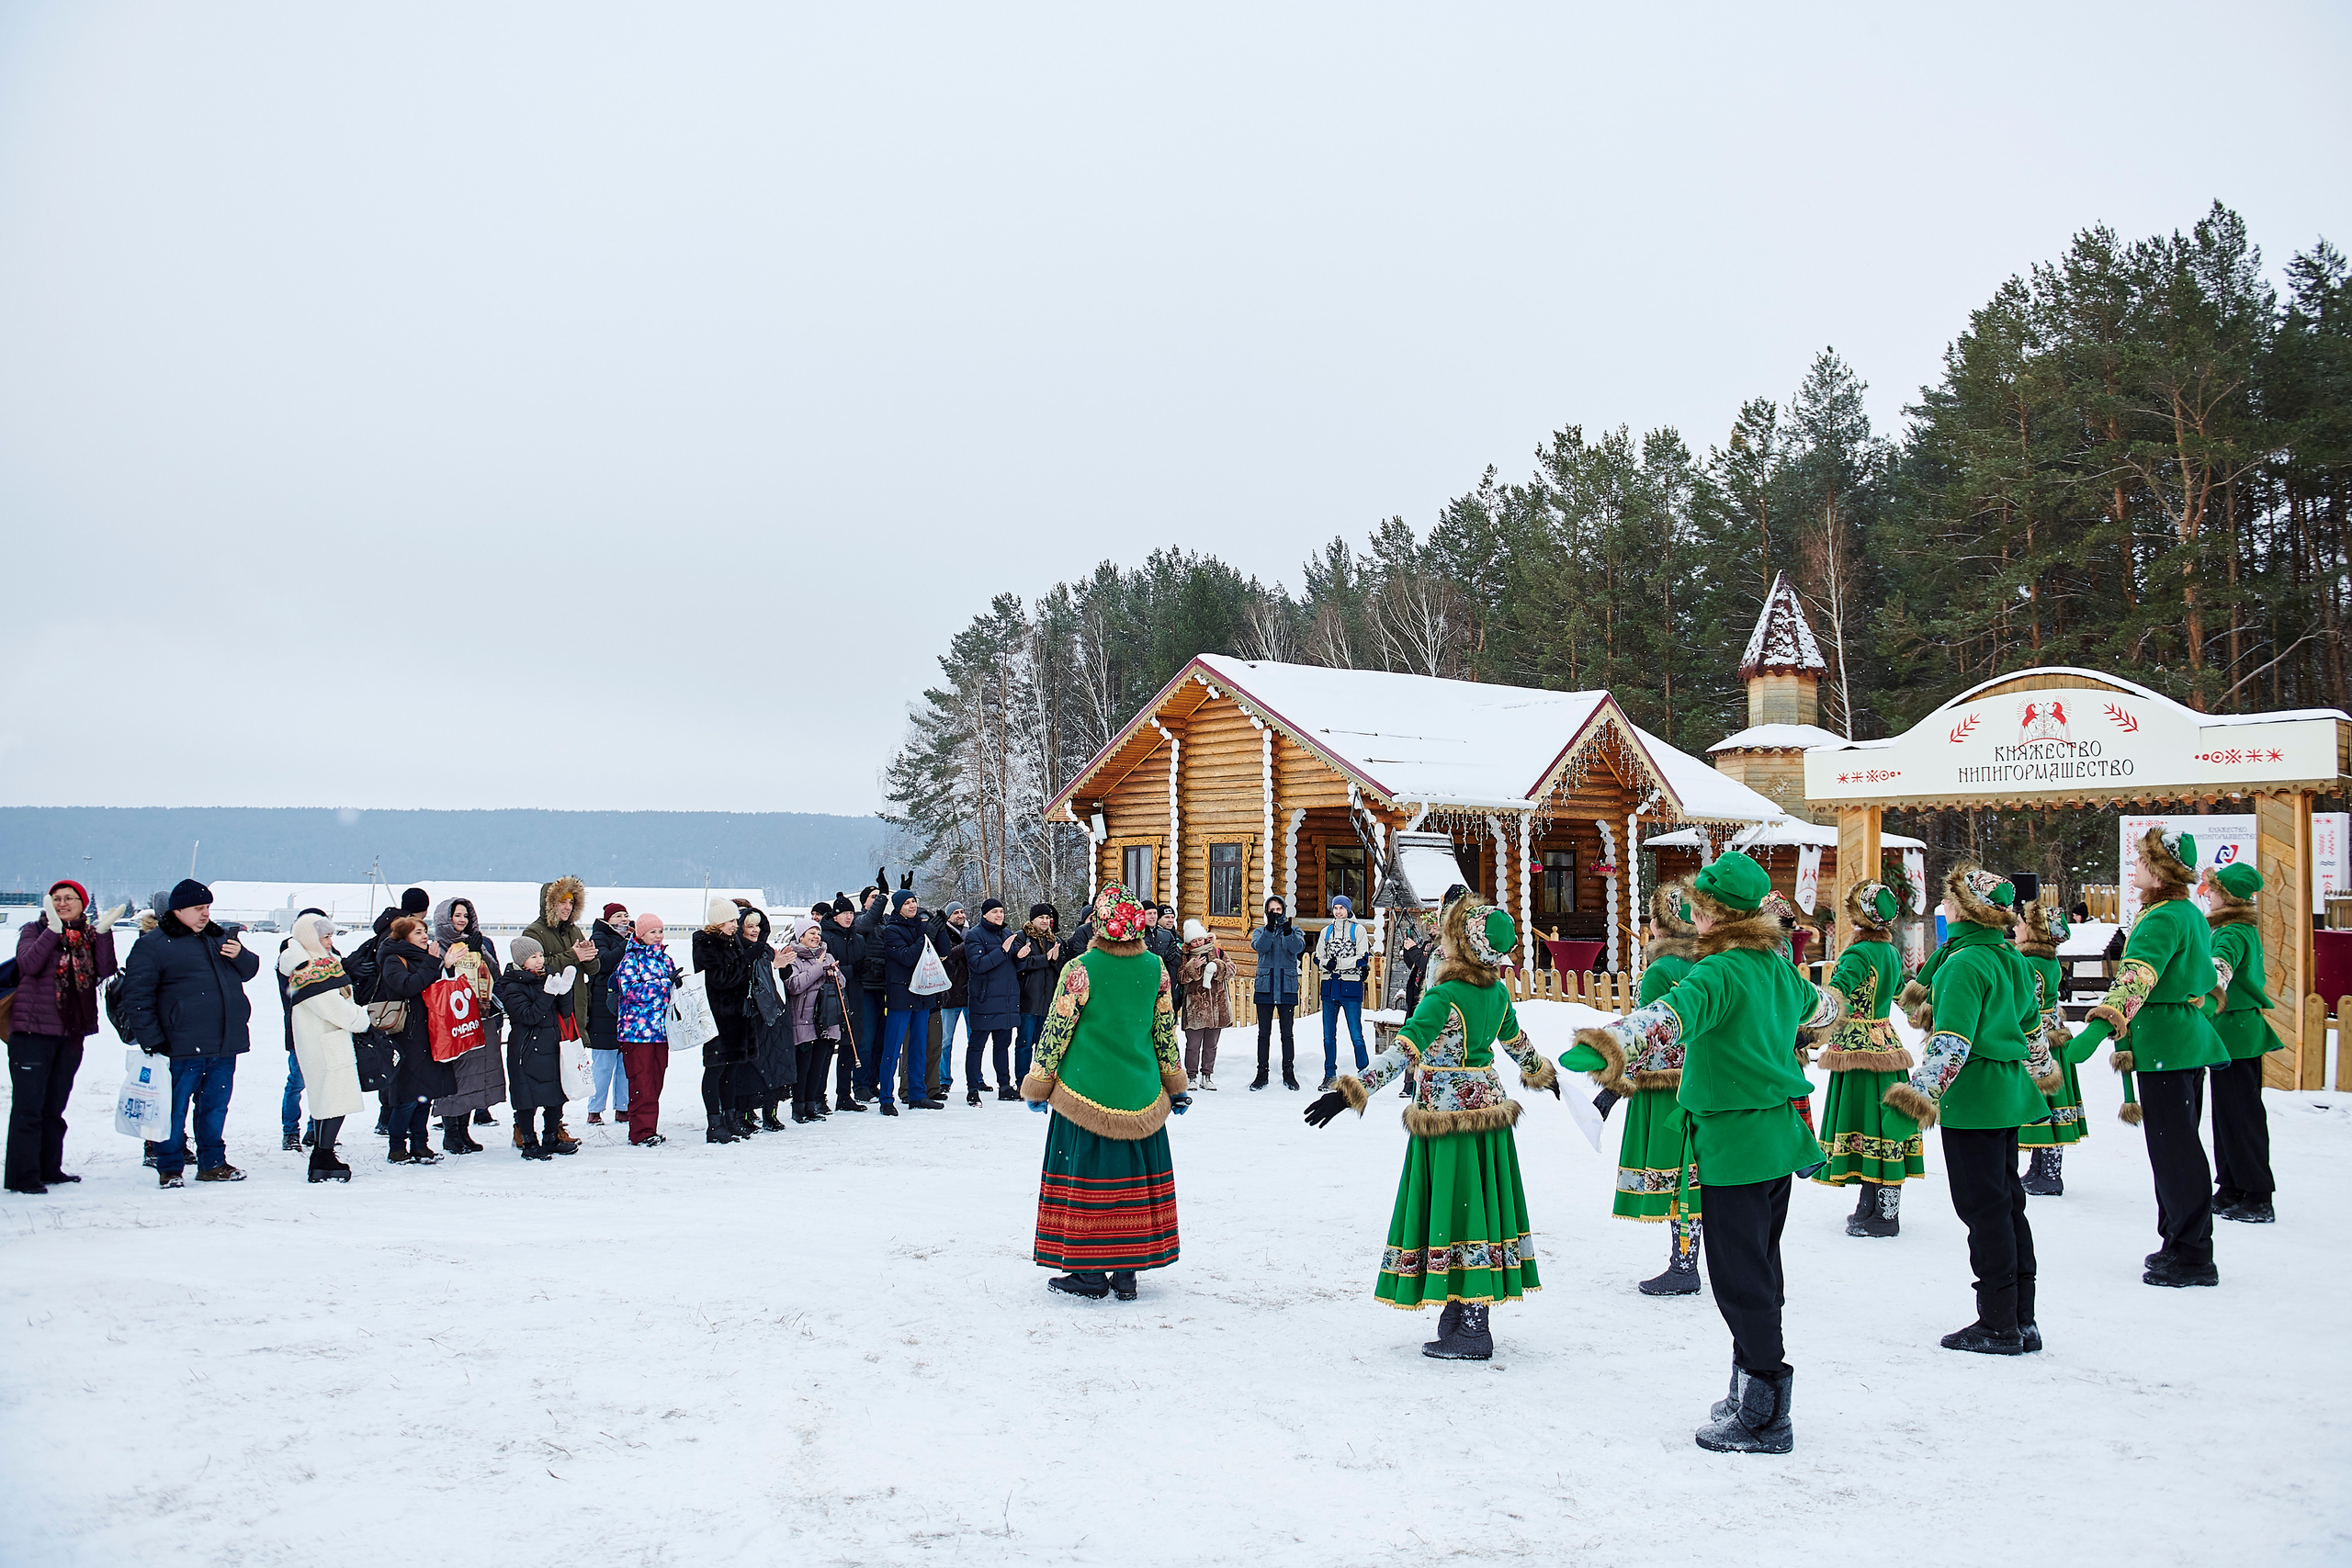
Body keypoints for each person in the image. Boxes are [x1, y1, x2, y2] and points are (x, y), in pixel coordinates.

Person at [1566, 851, 1843, 1454]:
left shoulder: (1718, 971)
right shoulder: (1773, 965)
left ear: (1717, 912)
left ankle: (1767, 1414)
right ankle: (1748, 1389)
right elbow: (1822, 1008)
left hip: (1736, 1144)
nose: (1691, 912)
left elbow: (1666, 1018)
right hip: (1776, 1138)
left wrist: (1607, 1044)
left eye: (1698, 904)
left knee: (1741, 1280)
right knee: (1761, 1268)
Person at [1306, 894, 1557, 1359]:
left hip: (1447, 1119)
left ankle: (1474, 1328)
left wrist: (1349, 1092)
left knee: (1457, 1210)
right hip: (1488, 1114)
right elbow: (1518, 1045)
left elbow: (1404, 1049)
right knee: (1476, 1208)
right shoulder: (1496, 993)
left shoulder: (1445, 996)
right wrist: (1543, 1072)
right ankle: (1460, 1310)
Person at [1883, 864, 2057, 1355]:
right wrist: (2044, 1073)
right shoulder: (2009, 957)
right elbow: (2032, 1029)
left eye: (1949, 898)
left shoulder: (1964, 964)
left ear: (1964, 908)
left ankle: (1997, 1323)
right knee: (2008, 1205)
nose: (1944, 905)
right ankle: (2022, 1316)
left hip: (1975, 1096)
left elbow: (1952, 1044)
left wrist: (1917, 1099)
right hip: (2006, 1093)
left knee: (1983, 1211)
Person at [2064, 827, 2232, 1287]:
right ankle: (2177, 1240)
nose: (2134, 866)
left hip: (2165, 1046)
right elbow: (2201, 976)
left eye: (2141, 860)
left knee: (2175, 1153)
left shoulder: (2163, 918)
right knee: (2178, 1148)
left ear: (2158, 871)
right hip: (2181, 1041)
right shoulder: (2187, 911)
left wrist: (2100, 1025)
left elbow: (2137, 977)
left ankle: (2193, 1256)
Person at [1021, 883, 1190, 1301]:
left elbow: (1057, 1030)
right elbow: (1164, 1032)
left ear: (1099, 923)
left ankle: (1089, 1273)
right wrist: (1175, 1084)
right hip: (1140, 1092)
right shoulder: (1156, 968)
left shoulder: (1080, 968)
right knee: (1133, 1182)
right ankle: (1127, 1273)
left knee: (1090, 1181)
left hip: (1086, 1090)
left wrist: (1039, 1082)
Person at [1589, 882, 1708, 1295]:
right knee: (1694, 1173)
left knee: (1677, 1177)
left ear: (1662, 925)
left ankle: (1683, 1266)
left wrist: (1611, 1089)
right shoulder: (1706, 965)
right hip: (1700, 1081)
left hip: (1663, 1089)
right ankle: (1689, 1261)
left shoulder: (1661, 970)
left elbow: (1648, 1036)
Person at [121, 879, 263, 1188]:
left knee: (215, 1107)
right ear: (178, 911)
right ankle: (170, 1168)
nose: (205, 914)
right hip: (179, 1045)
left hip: (224, 1043)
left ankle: (213, 1164)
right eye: (198, 908)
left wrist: (240, 955)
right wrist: (152, 1040)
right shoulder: (154, 944)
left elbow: (251, 970)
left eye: (208, 907)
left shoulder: (218, 937)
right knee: (173, 1110)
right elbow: (137, 997)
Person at [1811, 880, 1925, 1240]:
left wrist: (1807, 1026)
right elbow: (1903, 996)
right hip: (1888, 1048)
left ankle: (1882, 1215)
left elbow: (1833, 997)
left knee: (1865, 1126)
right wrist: (1922, 1013)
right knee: (1883, 1127)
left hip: (1857, 1054)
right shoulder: (1889, 953)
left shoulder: (1857, 955)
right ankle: (1876, 1206)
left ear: (1858, 917)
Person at [7, 878, 121, 1194]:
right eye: (57, 898)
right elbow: (28, 964)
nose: (63, 903)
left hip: (70, 1033)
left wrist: (103, 933)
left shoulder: (87, 936)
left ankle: (49, 1168)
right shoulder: (33, 931)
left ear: (82, 904)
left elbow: (105, 969)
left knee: (54, 1106)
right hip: (32, 1033)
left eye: (70, 898)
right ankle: (23, 1176)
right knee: (29, 1107)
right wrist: (52, 931)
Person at [2201, 861, 2279, 1224]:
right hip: (2234, 1031)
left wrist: (2200, 993)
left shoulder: (2232, 933)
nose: (2209, 896)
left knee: (2241, 1116)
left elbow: (2219, 971)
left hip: (2236, 1031)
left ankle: (2258, 1194)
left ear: (2228, 897)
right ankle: (2232, 1185)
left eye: (2214, 891)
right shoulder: (2238, 928)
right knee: (2228, 1114)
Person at [277, 912, 373, 1182]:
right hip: (325, 1042)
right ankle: (323, 1156)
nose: (331, 941)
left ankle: (323, 1155)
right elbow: (332, 1007)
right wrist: (362, 1018)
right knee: (332, 1101)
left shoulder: (319, 961)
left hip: (328, 1040)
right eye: (326, 936)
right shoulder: (308, 967)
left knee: (329, 1101)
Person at [2013, 889, 2086, 1196]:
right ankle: (2042, 1168)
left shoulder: (2029, 963)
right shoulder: (2049, 960)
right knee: (2053, 1102)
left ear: (2033, 930)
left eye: (2020, 923)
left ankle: (2049, 1174)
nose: (2015, 928)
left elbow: (2023, 1003)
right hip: (2054, 1037)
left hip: (2038, 1042)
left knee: (2045, 1102)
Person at [374, 913, 458, 1166]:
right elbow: (408, 986)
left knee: (426, 1094)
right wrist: (433, 962)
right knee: (408, 1097)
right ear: (405, 937)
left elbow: (439, 988)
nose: (425, 936)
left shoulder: (425, 958)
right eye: (418, 932)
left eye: (425, 931)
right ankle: (397, 1148)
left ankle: (420, 1145)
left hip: (430, 1033)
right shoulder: (393, 959)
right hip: (407, 1036)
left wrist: (447, 966)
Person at [430, 897, 508, 1154]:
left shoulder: (478, 942)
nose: (462, 920)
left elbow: (494, 975)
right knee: (455, 1076)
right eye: (457, 915)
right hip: (452, 1021)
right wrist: (449, 963)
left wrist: (479, 954)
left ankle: (464, 1129)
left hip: (479, 1016)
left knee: (474, 1075)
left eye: (465, 915)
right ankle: (450, 1132)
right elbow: (434, 981)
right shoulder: (438, 946)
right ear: (445, 918)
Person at [498, 935, 580, 1159]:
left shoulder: (548, 977)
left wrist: (565, 991)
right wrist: (547, 994)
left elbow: (564, 1012)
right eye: (533, 956)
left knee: (555, 1094)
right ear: (521, 960)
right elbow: (529, 1016)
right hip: (526, 1049)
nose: (539, 960)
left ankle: (551, 1137)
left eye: (541, 955)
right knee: (526, 1098)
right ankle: (529, 1142)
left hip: (552, 1045)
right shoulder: (511, 985)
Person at [614, 913, 683, 1146]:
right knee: (641, 1083)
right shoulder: (631, 960)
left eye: (660, 931)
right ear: (640, 934)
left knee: (655, 1082)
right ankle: (640, 1132)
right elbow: (631, 991)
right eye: (652, 932)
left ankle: (649, 1128)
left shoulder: (666, 959)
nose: (658, 936)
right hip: (636, 1033)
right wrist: (664, 984)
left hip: (660, 1032)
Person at [877, 888, 944, 1114]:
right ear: (898, 908)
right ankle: (886, 1098)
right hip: (901, 995)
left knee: (919, 1047)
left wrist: (940, 929)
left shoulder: (922, 926)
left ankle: (917, 1094)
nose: (912, 905)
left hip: (923, 993)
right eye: (906, 903)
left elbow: (943, 951)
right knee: (893, 1048)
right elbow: (907, 957)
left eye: (913, 901)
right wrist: (926, 936)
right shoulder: (891, 930)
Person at [694, 897, 753, 1144]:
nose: (735, 925)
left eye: (735, 921)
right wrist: (746, 960)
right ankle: (714, 1123)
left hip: (736, 1015)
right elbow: (721, 979)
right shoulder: (706, 943)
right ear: (718, 922)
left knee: (732, 1068)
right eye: (730, 921)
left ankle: (730, 1118)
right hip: (717, 1015)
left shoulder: (732, 941)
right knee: (715, 1068)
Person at [272, 904, 329, 1153]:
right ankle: (290, 1132)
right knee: (297, 1082)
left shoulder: (329, 952)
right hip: (299, 1029)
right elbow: (295, 992)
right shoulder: (290, 954)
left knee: (323, 1082)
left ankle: (315, 1130)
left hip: (326, 1029)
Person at [520, 876, 601, 1043]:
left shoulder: (574, 931)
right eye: (562, 902)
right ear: (549, 904)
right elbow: (536, 968)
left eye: (571, 903)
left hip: (577, 1013)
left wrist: (589, 956)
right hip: (550, 1014)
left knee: (576, 1058)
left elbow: (593, 970)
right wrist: (574, 956)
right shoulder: (533, 932)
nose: (568, 907)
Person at [740, 908, 797, 1131]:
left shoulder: (766, 949)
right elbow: (744, 978)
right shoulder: (739, 951)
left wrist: (782, 965)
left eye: (757, 926)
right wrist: (774, 965)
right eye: (750, 926)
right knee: (753, 1068)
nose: (755, 930)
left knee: (777, 1064)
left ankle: (770, 1113)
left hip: (777, 1014)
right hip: (753, 1016)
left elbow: (783, 977)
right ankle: (745, 1112)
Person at [782, 917, 842, 1122]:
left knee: (818, 1066)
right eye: (811, 933)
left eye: (818, 933)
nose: (816, 937)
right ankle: (798, 1107)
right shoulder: (793, 957)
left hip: (826, 1018)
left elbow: (842, 984)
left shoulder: (828, 955)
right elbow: (794, 986)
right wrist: (818, 968)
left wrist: (834, 975)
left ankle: (811, 1105)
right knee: (803, 1065)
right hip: (803, 1019)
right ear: (801, 937)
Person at [964, 899, 1022, 1106]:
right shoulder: (974, 935)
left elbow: (1016, 964)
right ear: (985, 914)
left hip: (1006, 1001)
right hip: (985, 1000)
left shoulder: (1006, 934)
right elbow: (977, 965)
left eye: (1001, 911)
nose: (999, 915)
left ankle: (1004, 1087)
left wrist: (1021, 956)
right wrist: (1003, 951)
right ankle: (972, 1089)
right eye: (995, 911)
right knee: (977, 1046)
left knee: (1002, 1046)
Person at [1313, 896, 1372, 1092]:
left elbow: (1362, 958)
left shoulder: (1358, 930)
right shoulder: (1326, 931)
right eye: (1335, 908)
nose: (1338, 911)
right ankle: (1329, 1074)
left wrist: (1337, 963)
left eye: (1342, 908)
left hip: (1350, 986)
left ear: (1348, 909)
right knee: (1328, 1035)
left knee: (1356, 1033)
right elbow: (1318, 957)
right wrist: (1326, 964)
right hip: (1329, 987)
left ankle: (1364, 1074)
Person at [1249, 896, 1307, 1091]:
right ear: (1267, 911)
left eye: (1278, 909)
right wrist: (1269, 929)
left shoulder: (1295, 931)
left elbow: (1297, 948)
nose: (1275, 913)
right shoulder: (1260, 931)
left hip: (1286, 987)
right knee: (1263, 1034)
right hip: (1265, 986)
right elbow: (1260, 947)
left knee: (1287, 1034)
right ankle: (1261, 1074)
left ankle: (1289, 1074)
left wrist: (1288, 933)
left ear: (1284, 911)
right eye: (1271, 910)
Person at [818, 900, 869, 1111]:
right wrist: (851, 970)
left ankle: (844, 1095)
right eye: (844, 913)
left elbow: (864, 964)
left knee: (850, 1046)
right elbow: (826, 969)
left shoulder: (858, 938)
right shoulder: (826, 937)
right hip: (831, 996)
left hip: (855, 995)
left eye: (851, 913)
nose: (849, 917)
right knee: (826, 1048)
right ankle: (818, 1096)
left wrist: (863, 968)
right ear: (835, 915)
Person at [584, 902, 631, 1125]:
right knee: (603, 1063)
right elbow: (604, 962)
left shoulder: (633, 937)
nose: (624, 919)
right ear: (608, 920)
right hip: (603, 1006)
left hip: (627, 1005)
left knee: (625, 1061)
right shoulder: (599, 937)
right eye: (618, 916)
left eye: (626, 915)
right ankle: (594, 1109)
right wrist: (626, 944)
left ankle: (623, 1107)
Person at [1014, 903, 1067, 1087]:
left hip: (1048, 1002)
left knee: (1044, 1045)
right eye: (1041, 918)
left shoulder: (1056, 940)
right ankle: (1021, 1081)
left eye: (1047, 918)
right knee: (1024, 1044)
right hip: (1028, 1000)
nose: (1045, 921)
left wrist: (1055, 960)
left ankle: (1040, 1081)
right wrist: (1046, 958)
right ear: (1032, 919)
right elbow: (1020, 964)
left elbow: (1062, 968)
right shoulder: (1022, 937)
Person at [1177, 919, 1232, 1090]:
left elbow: (1232, 969)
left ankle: (1207, 1076)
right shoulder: (1185, 956)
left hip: (1217, 1006)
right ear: (1189, 943)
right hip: (1195, 1007)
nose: (1198, 943)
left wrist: (1219, 966)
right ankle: (1192, 1076)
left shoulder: (1217, 951)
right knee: (1193, 1046)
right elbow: (1181, 977)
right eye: (1194, 941)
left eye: (1200, 939)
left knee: (1211, 1045)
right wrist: (1192, 967)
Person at [851, 880, 891, 1103]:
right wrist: (883, 895)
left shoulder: (886, 922)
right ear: (864, 902)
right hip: (866, 988)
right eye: (873, 897)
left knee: (880, 1042)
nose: (878, 900)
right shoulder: (859, 920)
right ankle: (860, 1086)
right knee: (865, 1041)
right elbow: (868, 922)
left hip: (884, 987)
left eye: (879, 897)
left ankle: (873, 1083)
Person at [933, 902, 971, 1099]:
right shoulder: (943, 934)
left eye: (962, 912)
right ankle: (943, 1079)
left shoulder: (970, 933)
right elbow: (948, 955)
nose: (960, 915)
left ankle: (975, 1078)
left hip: (970, 995)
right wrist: (968, 943)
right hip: (949, 994)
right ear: (948, 916)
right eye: (956, 912)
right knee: (945, 1041)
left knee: (974, 1040)